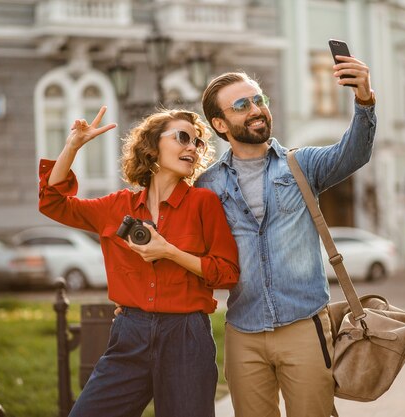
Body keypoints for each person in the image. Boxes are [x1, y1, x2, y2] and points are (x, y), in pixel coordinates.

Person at [195, 53, 376, 417]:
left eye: (259, 100)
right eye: (242, 105)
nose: (256, 109)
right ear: (220, 123)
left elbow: (353, 153)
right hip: (242, 332)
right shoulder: (207, 185)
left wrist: (364, 100)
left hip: (303, 326)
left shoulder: (301, 164)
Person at [38, 107, 239, 417]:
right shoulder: (118, 205)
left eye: (197, 143)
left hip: (186, 336)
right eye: (183, 137)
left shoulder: (204, 203)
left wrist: (170, 252)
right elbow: (52, 203)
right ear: (152, 145)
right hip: (130, 333)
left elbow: (227, 273)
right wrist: (73, 146)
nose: (192, 147)